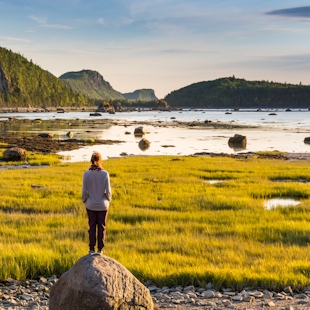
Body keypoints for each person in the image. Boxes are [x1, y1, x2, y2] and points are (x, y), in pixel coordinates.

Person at [82, 151, 112, 255]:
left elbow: (84, 192)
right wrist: (108, 200)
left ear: (91, 160)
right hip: (103, 205)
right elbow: (108, 191)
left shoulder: (86, 174)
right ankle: (100, 250)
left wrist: (84, 200)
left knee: (92, 227)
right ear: (100, 161)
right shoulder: (105, 174)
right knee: (102, 227)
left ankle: (91, 249)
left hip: (90, 205)